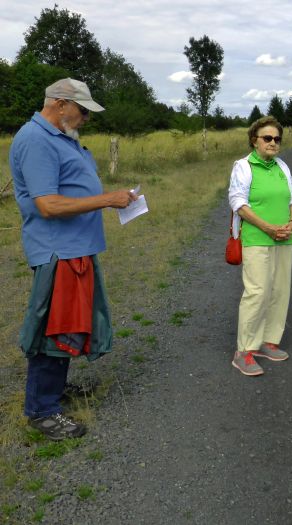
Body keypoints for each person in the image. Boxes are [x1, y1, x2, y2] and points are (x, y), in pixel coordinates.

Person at [10, 78, 136, 440]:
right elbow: (47, 205)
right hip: (57, 250)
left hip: (75, 249)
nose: (85, 118)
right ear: (61, 103)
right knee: (54, 327)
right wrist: (106, 200)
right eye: (82, 110)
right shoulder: (36, 140)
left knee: (67, 325)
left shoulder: (60, 136)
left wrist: (111, 197)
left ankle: (53, 391)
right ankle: (41, 410)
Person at [228, 116, 292, 377]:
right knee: (257, 292)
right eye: (267, 138)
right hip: (258, 238)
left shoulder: (281, 166)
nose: (273, 143)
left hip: (285, 238)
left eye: (277, 139)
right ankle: (244, 351)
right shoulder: (244, 166)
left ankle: (268, 341)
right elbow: (238, 202)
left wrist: (291, 222)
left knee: (280, 290)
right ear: (254, 140)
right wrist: (268, 227)